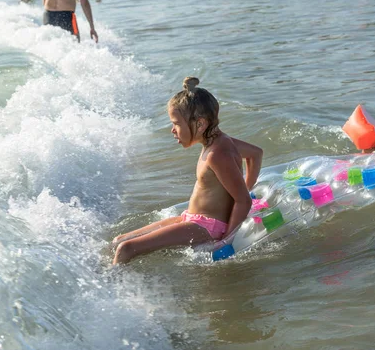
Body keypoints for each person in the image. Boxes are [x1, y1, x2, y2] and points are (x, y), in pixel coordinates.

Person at [112, 77, 263, 265]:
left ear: (200, 124)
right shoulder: (223, 141)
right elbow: (256, 154)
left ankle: (111, 289)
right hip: (192, 219)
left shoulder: (217, 154)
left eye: (176, 123)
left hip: (206, 228)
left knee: (126, 249)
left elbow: (243, 200)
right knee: (119, 240)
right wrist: (245, 186)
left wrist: (227, 239)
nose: (172, 130)